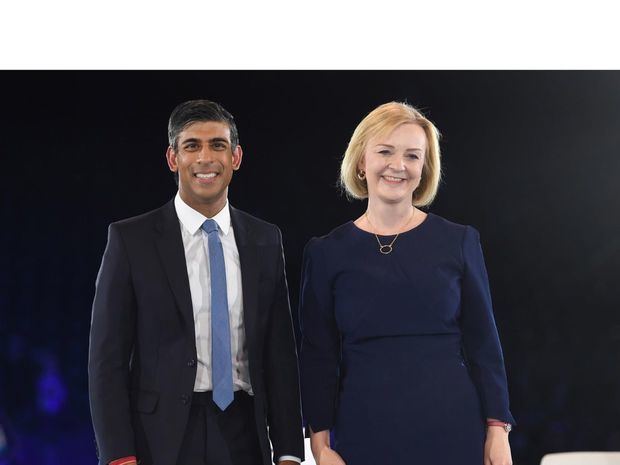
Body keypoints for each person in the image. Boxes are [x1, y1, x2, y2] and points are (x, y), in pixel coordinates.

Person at [89, 100, 304, 465]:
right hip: (159, 440)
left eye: (218, 145)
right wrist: (118, 455)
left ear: (236, 157)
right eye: (192, 146)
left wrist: (288, 451)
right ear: (173, 159)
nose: (206, 157)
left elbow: (280, 354)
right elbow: (106, 360)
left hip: (244, 434)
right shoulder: (131, 240)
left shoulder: (266, 239)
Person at [299, 102, 515, 465]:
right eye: (385, 151)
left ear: (424, 168)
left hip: (453, 429)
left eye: (413, 156)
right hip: (362, 433)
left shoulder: (459, 241)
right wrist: (320, 447)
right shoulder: (325, 253)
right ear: (361, 162)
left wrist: (497, 429)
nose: (399, 165)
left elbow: (484, 343)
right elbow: (317, 356)